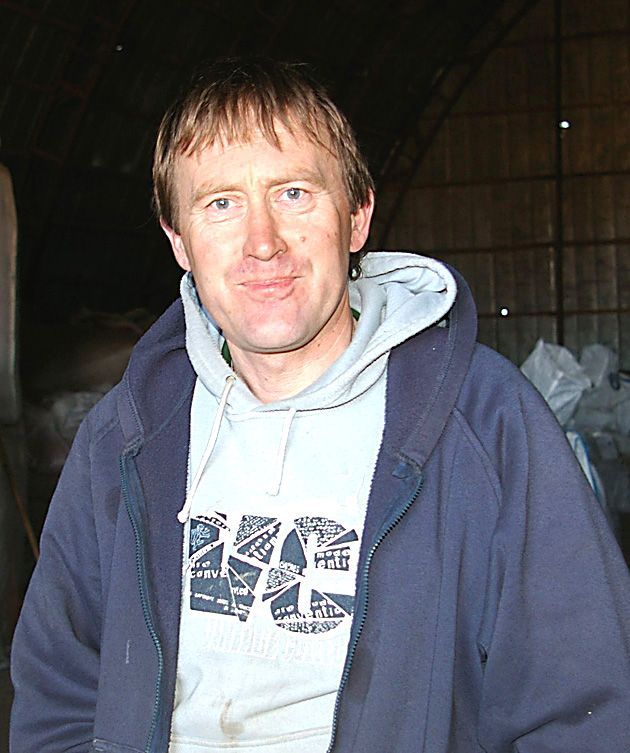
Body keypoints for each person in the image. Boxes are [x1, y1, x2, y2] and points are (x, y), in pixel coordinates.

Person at [10, 57, 630, 753]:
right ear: (179, 240)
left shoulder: (486, 425)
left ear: (357, 216)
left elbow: (583, 707)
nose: (263, 243)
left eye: (294, 193)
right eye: (221, 204)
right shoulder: (124, 438)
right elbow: (58, 693)